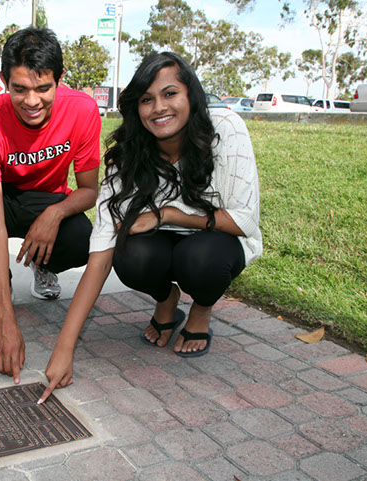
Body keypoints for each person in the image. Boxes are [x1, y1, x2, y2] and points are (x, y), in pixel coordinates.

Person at [37, 52, 262, 403]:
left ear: (191, 95)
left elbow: (244, 220)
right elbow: (100, 254)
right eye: (146, 99)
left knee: (202, 258)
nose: (159, 108)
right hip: (160, 241)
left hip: (216, 239)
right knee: (129, 254)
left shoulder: (226, 129)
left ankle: (201, 310)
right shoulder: (128, 154)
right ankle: (166, 299)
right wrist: (63, 350)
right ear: (136, 108)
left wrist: (169, 214)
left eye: (170, 94)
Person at [0, 27, 101, 384]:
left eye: (43, 88)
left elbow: (90, 190)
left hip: (48, 199)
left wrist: (55, 213)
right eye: (20, 89)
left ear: (59, 80)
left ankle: (44, 265)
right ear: (4, 82)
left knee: (82, 239)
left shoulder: (83, 110)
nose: (32, 101)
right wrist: (6, 316)